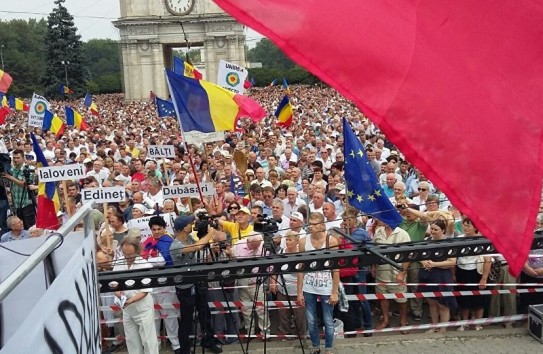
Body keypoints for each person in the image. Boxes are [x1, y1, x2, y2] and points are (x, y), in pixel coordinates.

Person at [169, 214, 222, 354]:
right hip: (185, 287)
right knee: (187, 319)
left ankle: (208, 340)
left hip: (197, 282)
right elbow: (196, 247)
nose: (192, 225)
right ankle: (185, 349)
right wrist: (210, 233)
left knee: (205, 313)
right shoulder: (175, 245)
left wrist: (207, 233)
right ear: (184, 228)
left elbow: (199, 244)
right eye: (189, 223)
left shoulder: (189, 238)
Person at [297, 212, 339, 354]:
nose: (311, 227)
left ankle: (328, 348)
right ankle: (316, 347)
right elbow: (300, 268)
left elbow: (336, 269)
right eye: (310, 224)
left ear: (322, 225)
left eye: (314, 224)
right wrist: (299, 292)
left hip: (326, 285)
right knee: (311, 320)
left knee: (328, 320)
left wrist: (334, 292)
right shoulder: (303, 241)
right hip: (309, 286)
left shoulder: (331, 241)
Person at [113, 237, 158, 354]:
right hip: (127, 309)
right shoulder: (119, 262)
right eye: (124, 253)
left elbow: (145, 290)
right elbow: (113, 283)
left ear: (137, 251)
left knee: (148, 341)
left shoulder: (145, 265)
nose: (127, 257)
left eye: (130, 254)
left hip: (143, 308)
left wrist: (130, 300)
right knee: (131, 341)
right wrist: (118, 293)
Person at [141, 216, 180, 353]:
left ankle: (175, 344)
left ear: (164, 228)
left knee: (169, 314)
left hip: (166, 282)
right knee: (153, 316)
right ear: (150, 230)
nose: (156, 232)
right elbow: (141, 258)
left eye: (159, 229)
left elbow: (163, 261)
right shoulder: (147, 242)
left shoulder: (168, 241)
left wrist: (148, 262)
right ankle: (154, 345)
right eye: (154, 229)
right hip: (151, 283)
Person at [418, 220, 457, 333]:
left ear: (443, 230)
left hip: (442, 276)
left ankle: (443, 328)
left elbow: (452, 262)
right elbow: (419, 255)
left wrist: (434, 264)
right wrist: (424, 262)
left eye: (436, 230)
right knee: (432, 302)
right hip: (427, 274)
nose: (433, 232)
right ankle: (434, 325)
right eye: (432, 229)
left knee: (443, 303)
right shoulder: (427, 240)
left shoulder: (449, 243)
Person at [372, 219, 411, 331]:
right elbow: (374, 250)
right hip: (381, 271)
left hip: (396, 272)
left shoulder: (403, 234)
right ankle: (386, 320)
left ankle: (403, 322)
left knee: (401, 299)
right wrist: (374, 266)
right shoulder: (379, 232)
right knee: (383, 297)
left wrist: (402, 272)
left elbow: (408, 254)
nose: (382, 219)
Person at [454, 217, 491, 331]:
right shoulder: (459, 239)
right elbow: (454, 257)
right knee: (464, 299)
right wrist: (453, 274)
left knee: (478, 299)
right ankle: (464, 322)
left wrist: (484, 278)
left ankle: (477, 323)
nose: (465, 228)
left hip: (475, 272)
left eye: (468, 226)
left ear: (475, 227)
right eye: (464, 225)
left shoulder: (482, 240)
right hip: (461, 271)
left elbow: (487, 261)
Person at [270, 231, 306, 344]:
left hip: (297, 290)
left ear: (296, 241)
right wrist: (273, 281)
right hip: (282, 288)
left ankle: (301, 335)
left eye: (290, 239)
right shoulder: (280, 252)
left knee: (299, 316)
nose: (287, 241)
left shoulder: (301, 254)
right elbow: (274, 268)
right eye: (286, 239)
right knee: (283, 314)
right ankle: (285, 333)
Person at [1, 149, 37, 229]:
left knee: (30, 227)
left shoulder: (28, 169)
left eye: (18, 158)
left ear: (23, 158)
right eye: (14, 158)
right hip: (16, 204)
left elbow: (24, 184)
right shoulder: (12, 170)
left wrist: (10, 177)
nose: (16, 160)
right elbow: (9, 185)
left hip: (27, 203)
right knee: (19, 228)